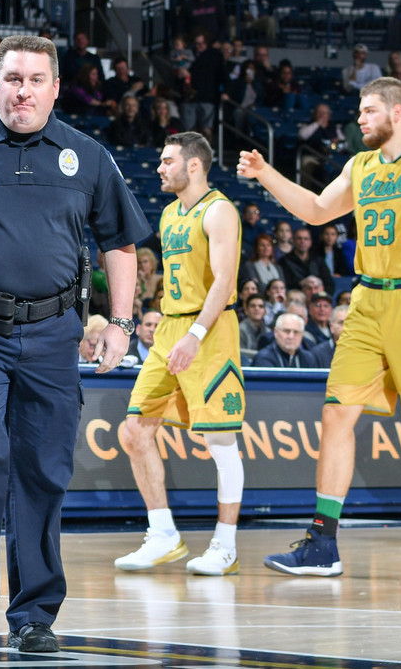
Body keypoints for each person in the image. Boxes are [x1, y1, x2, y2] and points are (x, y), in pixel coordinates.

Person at [0, 34, 149, 653]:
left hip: (54, 337)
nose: (23, 91)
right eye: (13, 78)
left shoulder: (87, 156)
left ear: (56, 87)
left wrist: (120, 324)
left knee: (43, 472)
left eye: (36, 80)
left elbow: (121, 243)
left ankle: (35, 613)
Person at [242, 76, 401, 576]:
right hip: (369, 301)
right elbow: (315, 209)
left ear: (397, 114)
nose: (359, 119)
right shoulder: (360, 164)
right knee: (336, 414)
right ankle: (323, 543)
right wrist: (266, 173)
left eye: (368, 111)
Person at [115, 132, 245, 576]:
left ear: (194, 165)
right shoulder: (170, 213)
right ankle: (164, 534)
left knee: (220, 442)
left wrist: (195, 333)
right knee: (134, 431)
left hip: (210, 330)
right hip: (170, 326)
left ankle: (224, 544)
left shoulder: (221, 210)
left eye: (167, 160)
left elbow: (224, 282)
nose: (159, 167)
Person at [279, 226, 335, 295]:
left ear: (310, 242)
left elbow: (329, 283)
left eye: (306, 239)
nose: (302, 241)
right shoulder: (284, 261)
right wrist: (301, 284)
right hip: (297, 297)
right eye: (299, 238)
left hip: (317, 296)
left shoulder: (318, 260)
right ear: (293, 241)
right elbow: (285, 284)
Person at [250, 312, 316, 367]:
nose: (291, 337)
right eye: (286, 331)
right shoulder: (263, 358)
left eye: (296, 332)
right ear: (276, 332)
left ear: (301, 335)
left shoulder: (308, 358)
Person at [239, 292, 268, 361]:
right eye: (253, 306)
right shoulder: (240, 330)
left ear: (265, 311)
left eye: (260, 306)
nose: (257, 309)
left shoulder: (268, 331)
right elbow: (240, 354)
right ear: (246, 311)